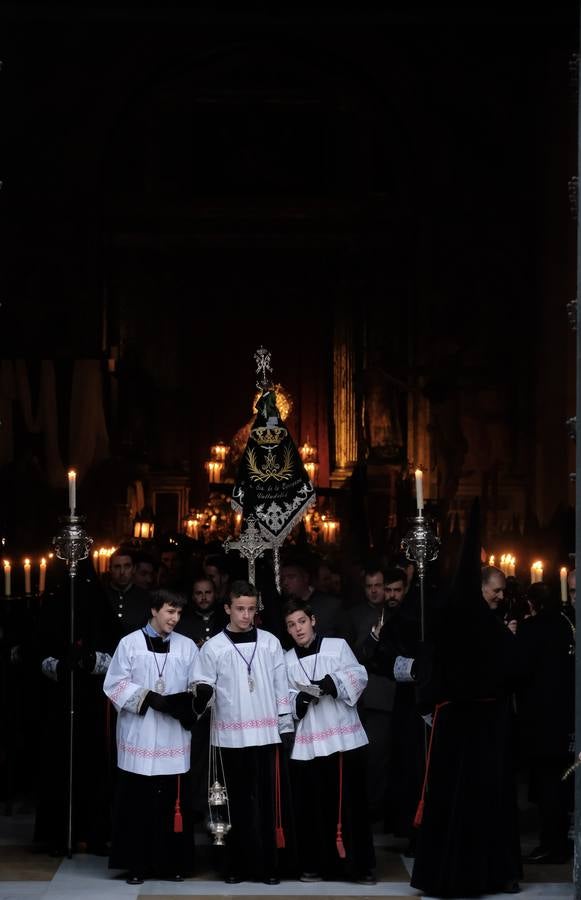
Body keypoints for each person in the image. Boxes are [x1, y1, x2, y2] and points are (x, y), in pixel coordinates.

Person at [409, 500, 521, 897]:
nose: (499, 597)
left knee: (468, 801)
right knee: (473, 800)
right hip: (475, 726)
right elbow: (508, 672)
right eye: (495, 590)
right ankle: (480, 874)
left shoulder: (456, 622)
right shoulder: (480, 626)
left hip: (469, 724)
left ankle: (460, 873)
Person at [192, 580, 294, 884]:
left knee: (265, 804)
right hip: (229, 736)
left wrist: (285, 724)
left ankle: (268, 867)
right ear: (227, 608)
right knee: (230, 804)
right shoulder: (214, 647)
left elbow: (281, 686)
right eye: (240, 609)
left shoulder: (270, 642)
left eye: (251, 609)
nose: (246, 615)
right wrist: (201, 693)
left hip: (265, 735)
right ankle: (233, 866)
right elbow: (202, 684)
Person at [103, 589, 198, 885]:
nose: (175, 618)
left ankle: (172, 864)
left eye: (179, 613)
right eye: (170, 612)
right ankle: (136, 865)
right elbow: (114, 683)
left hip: (172, 736)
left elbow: (198, 683)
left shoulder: (186, 646)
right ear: (154, 610)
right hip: (140, 735)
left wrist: (184, 705)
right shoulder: (129, 644)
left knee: (172, 803)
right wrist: (147, 698)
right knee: (138, 805)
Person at [284, 598, 376, 885]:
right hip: (309, 741)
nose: (298, 629)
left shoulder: (336, 646)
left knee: (351, 806)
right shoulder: (286, 659)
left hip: (343, 736)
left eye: (301, 621)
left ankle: (358, 867)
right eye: (291, 625)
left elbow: (358, 674)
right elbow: (282, 697)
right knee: (311, 806)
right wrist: (297, 698)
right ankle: (315, 865)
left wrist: (332, 683)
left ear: (313, 620)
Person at [514, 582, 574, 863]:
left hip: (539, 718)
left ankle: (552, 843)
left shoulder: (530, 629)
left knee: (548, 783)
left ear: (531, 604)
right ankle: (558, 840)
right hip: (564, 714)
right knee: (559, 782)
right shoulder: (567, 625)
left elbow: (519, 672)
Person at [346, 566, 396, 823]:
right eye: (370, 586)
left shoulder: (397, 611)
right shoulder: (354, 616)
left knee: (389, 758)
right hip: (369, 697)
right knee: (372, 758)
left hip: (393, 695)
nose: (375, 590)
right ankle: (370, 809)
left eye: (379, 585)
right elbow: (352, 657)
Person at [105, 548, 152, 647]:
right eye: (117, 567)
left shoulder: (146, 598)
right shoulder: (101, 595)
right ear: (110, 569)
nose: (122, 572)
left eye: (127, 566)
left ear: (134, 569)